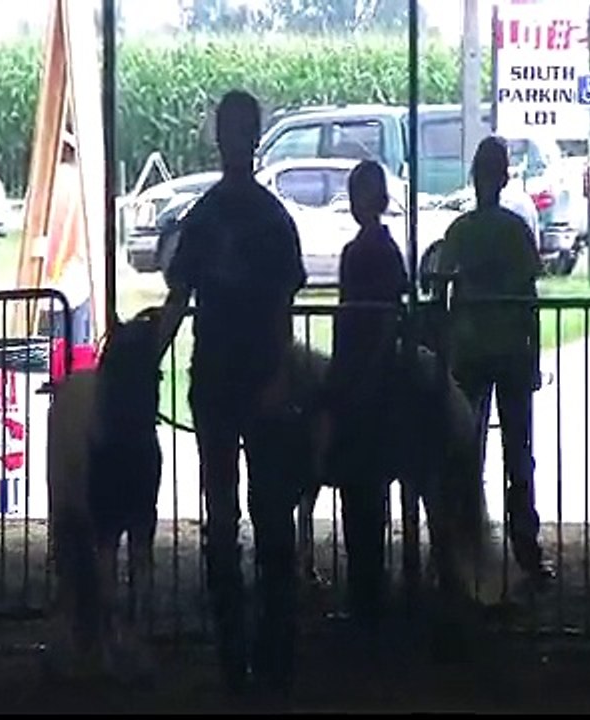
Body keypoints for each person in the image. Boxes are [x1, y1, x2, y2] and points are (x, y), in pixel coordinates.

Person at [155, 89, 307, 694]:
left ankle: (252, 652)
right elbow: (183, 301)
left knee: (246, 519)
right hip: (229, 381)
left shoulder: (223, 218)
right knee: (243, 520)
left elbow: (187, 298)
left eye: (237, 130)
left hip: (233, 379)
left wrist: (275, 378)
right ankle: (253, 654)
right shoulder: (254, 219)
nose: (232, 141)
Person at [437, 135, 554, 584]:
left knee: (466, 453)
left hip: (469, 352)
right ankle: (525, 546)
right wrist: (534, 352)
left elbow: (440, 290)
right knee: (518, 452)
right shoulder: (515, 231)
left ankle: (463, 548)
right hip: (509, 352)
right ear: (505, 177)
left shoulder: (461, 231)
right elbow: (529, 299)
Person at [326, 159, 408, 620]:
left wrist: (354, 375)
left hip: (364, 376)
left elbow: (372, 317)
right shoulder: (380, 250)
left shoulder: (362, 252)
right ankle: (369, 589)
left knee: (361, 488)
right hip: (365, 374)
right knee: (364, 489)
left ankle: (367, 592)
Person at [36, 130, 93, 345]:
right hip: (77, 280)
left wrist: (49, 267)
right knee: (77, 349)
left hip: (60, 280)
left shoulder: (55, 181)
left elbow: (57, 232)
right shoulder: (78, 180)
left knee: (55, 352)